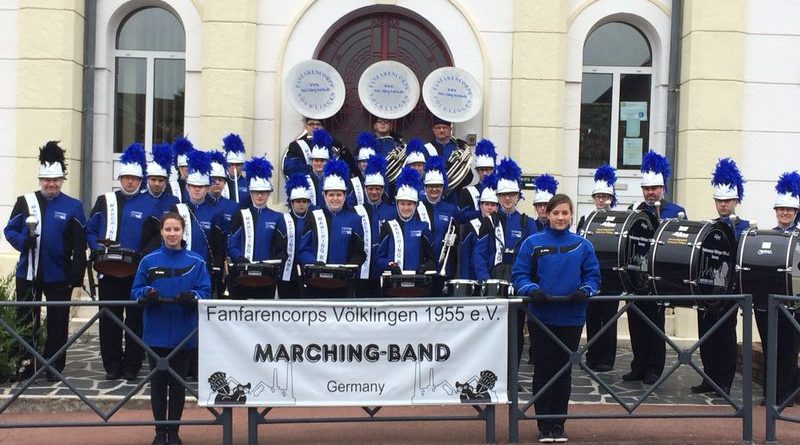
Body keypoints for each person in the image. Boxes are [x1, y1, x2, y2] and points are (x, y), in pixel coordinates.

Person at [512, 193, 600, 443]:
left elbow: (593, 278)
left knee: (563, 372)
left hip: (572, 318)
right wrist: (532, 290)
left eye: (565, 213)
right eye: (556, 213)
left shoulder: (583, 245)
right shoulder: (532, 243)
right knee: (543, 370)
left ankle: (558, 423)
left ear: (571, 215)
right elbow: (519, 275)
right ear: (547, 215)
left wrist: (583, 291)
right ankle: (544, 425)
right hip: (542, 317)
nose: (560, 217)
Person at [3, 141, 86, 381]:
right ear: (40, 180)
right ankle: (26, 364)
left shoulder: (74, 206)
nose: (51, 184)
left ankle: (54, 365)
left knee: (58, 323)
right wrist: (22, 241)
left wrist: (77, 275)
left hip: (59, 274)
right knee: (26, 320)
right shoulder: (24, 201)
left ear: (61, 180)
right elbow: (10, 230)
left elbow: (80, 244)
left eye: (55, 181)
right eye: (46, 180)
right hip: (27, 273)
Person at [131, 212, 211, 445]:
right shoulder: (149, 260)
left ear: (183, 231)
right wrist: (147, 294)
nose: (172, 234)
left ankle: (174, 432)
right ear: (162, 232)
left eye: (176, 229)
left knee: (177, 386)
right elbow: (136, 289)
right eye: (168, 229)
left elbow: (205, 291)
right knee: (157, 384)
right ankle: (159, 433)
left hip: (184, 332)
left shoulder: (197, 261)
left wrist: (193, 297)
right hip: (155, 332)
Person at [86, 143, 158, 381]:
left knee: (136, 320)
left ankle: (132, 365)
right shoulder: (104, 200)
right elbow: (91, 230)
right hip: (108, 271)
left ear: (141, 180)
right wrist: (98, 249)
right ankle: (112, 364)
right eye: (126, 178)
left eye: (134, 179)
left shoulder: (150, 204)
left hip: (135, 272)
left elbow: (155, 238)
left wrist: (142, 259)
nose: (129, 182)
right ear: (119, 178)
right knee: (109, 318)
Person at [624, 150, 687, 385]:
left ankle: (654, 369)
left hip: (658, 277)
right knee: (635, 321)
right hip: (637, 274)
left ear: (663, 188)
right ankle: (638, 365)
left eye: (654, 188)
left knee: (654, 324)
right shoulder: (636, 209)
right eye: (646, 189)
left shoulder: (675, 211)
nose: (650, 193)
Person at [690, 158, 748, 395]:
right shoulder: (709, 226)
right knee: (706, 334)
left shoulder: (744, 227)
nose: (723, 205)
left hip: (729, 290)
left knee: (725, 335)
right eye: (719, 201)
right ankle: (709, 378)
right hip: (708, 288)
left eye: (727, 201)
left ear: (736, 201)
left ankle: (724, 381)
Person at [476, 158, 537, 363]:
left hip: (518, 283)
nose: (507, 199)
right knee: (493, 332)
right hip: (495, 283)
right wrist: (485, 281)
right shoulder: (489, 221)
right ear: (498, 197)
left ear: (518, 196)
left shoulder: (527, 223)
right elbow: (480, 254)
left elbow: (533, 256)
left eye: (511, 195)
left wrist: (527, 282)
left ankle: (512, 377)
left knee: (516, 331)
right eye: (503, 195)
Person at [755, 171, 800, 406]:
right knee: (770, 348)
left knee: (789, 349)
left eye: (789, 210)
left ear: (795, 212)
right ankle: (770, 394)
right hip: (769, 302)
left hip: (793, 303)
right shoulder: (768, 236)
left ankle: (786, 395)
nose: (784, 213)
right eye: (781, 209)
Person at [298, 159, 367, 298]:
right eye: (331, 194)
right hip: (316, 281)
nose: (335, 199)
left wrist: (348, 267)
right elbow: (303, 250)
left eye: (339, 194)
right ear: (324, 195)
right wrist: (313, 263)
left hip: (343, 283)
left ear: (345, 196)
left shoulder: (354, 219)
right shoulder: (313, 216)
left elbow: (360, 253)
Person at [226, 157, 287, 299]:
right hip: (242, 275)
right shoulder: (240, 215)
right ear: (251, 193)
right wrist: (239, 257)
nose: (260, 195)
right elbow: (232, 245)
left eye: (264, 192)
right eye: (256, 192)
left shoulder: (277, 217)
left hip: (266, 277)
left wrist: (274, 263)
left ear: (268, 194)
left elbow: (281, 249)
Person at [578, 164, 619, 372]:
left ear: (611, 198)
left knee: (610, 320)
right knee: (592, 319)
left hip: (611, 277)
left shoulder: (618, 220)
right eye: (598, 196)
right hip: (591, 277)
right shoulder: (585, 220)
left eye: (605, 196)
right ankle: (593, 356)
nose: (601, 200)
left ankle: (607, 359)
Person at [376, 167, 436, 278]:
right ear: (397, 204)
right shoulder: (387, 226)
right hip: (392, 282)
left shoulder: (423, 227)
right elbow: (379, 259)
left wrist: (424, 267)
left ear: (415, 205)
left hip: (416, 283)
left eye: (409, 204)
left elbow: (431, 261)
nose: (406, 208)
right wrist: (389, 265)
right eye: (402, 204)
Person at [353, 156, 396, 298]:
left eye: (378, 189)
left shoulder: (392, 211)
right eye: (370, 189)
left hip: (384, 267)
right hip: (362, 269)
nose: (374, 192)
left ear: (383, 189)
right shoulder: (356, 211)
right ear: (365, 189)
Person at [419, 156, 459, 284]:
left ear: (443, 187)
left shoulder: (451, 208)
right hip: (421, 266)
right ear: (425, 188)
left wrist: (453, 239)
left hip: (444, 266)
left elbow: (457, 231)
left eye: (438, 186)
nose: (434, 189)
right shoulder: (417, 206)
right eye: (430, 186)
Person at [207, 150, 240, 297]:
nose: (217, 183)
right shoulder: (200, 204)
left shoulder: (233, 206)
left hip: (226, 258)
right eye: (213, 179)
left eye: (221, 180)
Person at [278, 174, 315, 298]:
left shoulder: (314, 220)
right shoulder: (283, 220)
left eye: (304, 201)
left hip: (308, 269)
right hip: (288, 269)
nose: (301, 204)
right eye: (298, 201)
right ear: (291, 203)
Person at [457, 174, 498, 281]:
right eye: (486, 204)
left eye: (493, 205)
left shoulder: (500, 224)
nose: (489, 208)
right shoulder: (471, 225)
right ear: (480, 206)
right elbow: (464, 257)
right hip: (473, 278)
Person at [424, 116, 472, 192]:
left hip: (455, 192)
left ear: (450, 129)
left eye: (445, 127)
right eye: (438, 128)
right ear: (433, 130)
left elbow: (468, 174)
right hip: (432, 191)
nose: (441, 130)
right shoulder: (426, 149)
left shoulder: (459, 147)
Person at [456, 139, 496, 223]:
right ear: (477, 171)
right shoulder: (467, 192)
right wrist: (481, 212)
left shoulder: (499, 191)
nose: (485, 173)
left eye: (488, 169)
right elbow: (460, 217)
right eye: (482, 170)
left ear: (493, 170)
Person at [145, 143, 180, 215]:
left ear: (165, 181)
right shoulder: (139, 200)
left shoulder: (173, 201)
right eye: (153, 180)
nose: (157, 183)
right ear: (147, 179)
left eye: (160, 180)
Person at [349, 132, 378, 207]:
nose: (366, 164)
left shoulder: (381, 178)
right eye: (363, 161)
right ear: (358, 163)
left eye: (369, 161)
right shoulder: (354, 180)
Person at [307, 129, 334, 208]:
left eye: (322, 161)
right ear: (311, 162)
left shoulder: (333, 179)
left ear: (328, 161)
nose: (319, 163)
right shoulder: (305, 179)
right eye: (316, 160)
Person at [222, 133, 250, 209]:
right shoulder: (222, 182)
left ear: (242, 165)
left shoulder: (248, 183)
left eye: (237, 165)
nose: (234, 167)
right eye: (231, 164)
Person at [170, 136, 194, 203]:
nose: (188, 168)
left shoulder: (200, 187)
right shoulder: (171, 187)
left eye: (190, 165)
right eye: (185, 166)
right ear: (179, 168)